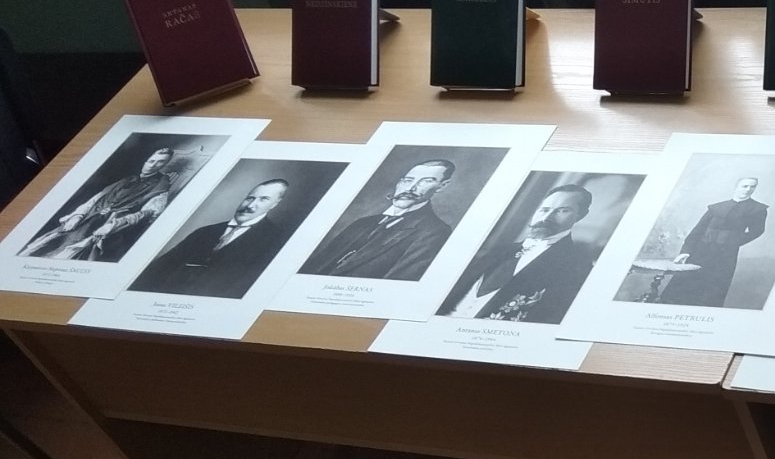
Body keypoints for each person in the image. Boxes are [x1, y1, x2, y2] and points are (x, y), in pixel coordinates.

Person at [441, 184, 597, 322]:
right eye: (544, 210)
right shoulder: (500, 251)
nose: (546, 218)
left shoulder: (576, 266)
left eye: (562, 211)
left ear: (580, 216)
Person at [131, 178, 292, 299]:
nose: (250, 206)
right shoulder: (204, 232)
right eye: (250, 198)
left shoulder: (276, 241)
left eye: (264, 199)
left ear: (275, 204)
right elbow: (160, 267)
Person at [300, 158, 455, 281]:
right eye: (408, 180)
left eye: (426, 181)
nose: (410, 188)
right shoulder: (362, 223)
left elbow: (394, 286)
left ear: (442, 186)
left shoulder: (435, 232)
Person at [21, 145, 183, 262]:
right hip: (87, 218)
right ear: (145, 161)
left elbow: (148, 212)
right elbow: (95, 199)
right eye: (151, 160)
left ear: (165, 165)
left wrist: (113, 225)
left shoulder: (161, 185)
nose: (153, 165)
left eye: (160, 162)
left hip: (112, 226)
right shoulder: (127, 179)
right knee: (46, 245)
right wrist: (78, 215)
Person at [657, 176, 768, 306]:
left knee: (712, 292)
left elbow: (757, 231)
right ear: (736, 187)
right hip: (699, 253)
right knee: (682, 288)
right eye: (745, 186)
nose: (748, 189)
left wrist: (732, 241)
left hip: (725, 256)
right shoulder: (717, 207)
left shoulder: (757, 209)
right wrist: (685, 251)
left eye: (752, 186)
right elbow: (697, 231)